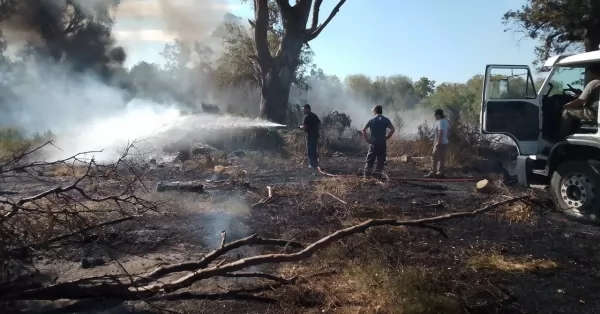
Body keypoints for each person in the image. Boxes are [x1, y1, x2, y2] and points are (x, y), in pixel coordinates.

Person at [558, 65, 600, 138]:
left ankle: (562, 137)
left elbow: (580, 101)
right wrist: (580, 93)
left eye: (587, 73)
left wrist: (567, 105)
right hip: (597, 112)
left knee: (567, 111)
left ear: (590, 72)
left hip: (593, 113)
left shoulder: (594, 82)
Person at [362, 105, 395, 179]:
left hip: (373, 142)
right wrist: (387, 137)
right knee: (381, 160)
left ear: (375, 111)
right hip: (382, 142)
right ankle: (377, 177)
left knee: (370, 159)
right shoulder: (386, 120)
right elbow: (393, 129)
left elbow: (363, 130)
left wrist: (367, 139)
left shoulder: (371, 120)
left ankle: (366, 177)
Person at [425, 108, 450, 178]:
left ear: (438, 115)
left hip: (440, 143)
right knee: (442, 159)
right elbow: (448, 131)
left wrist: (438, 142)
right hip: (445, 142)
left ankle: (432, 173)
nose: (434, 116)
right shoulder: (446, 121)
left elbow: (441, 132)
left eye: (435, 115)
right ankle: (440, 173)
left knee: (434, 157)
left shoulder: (440, 122)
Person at [299, 104, 321, 170]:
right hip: (316, 135)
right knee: (314, 149)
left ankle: (312, 165)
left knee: (310, 150)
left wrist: (301, 127)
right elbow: (319, 124)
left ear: (308, 109)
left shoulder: (307, 117)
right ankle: (315, 164)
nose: (303, 111)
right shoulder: (314, 115)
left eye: (304, 109)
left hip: (310, 136)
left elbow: (305, 127)